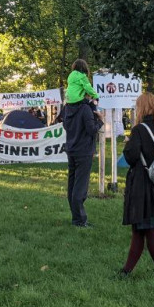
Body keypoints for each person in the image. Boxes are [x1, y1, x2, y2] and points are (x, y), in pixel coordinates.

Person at [119, 94, 154, 280]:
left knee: (148, 230)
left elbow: (131, 157)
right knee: (140, 230)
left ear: (141, 108)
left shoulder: (139, 130)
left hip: (143, 185)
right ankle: (126, 271)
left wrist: (127, 145)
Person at [62, 91, 99, 227]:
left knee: (72, 185)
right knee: (80, 186)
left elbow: (65, 125)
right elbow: (92, 129)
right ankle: (79, 220)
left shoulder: (67, 108)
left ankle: (76, 217)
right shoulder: (85, 109)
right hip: (83, 150)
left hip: (71, 149)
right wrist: (100, 120)